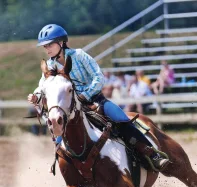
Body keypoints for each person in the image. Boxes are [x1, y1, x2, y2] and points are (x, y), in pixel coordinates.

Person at [27, 24, 169, 171]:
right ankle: (69, 170)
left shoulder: (79, 55)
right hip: (70, 107)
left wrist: (85, 95)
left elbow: (99, 77)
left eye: (50, 44)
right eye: (45, 46)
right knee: (58, 137)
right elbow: (43, 86)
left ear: (61, 42)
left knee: (121, 118)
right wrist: (36, 96)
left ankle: (152, 154)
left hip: (95, 100)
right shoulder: (50, 65)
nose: (47, 48)